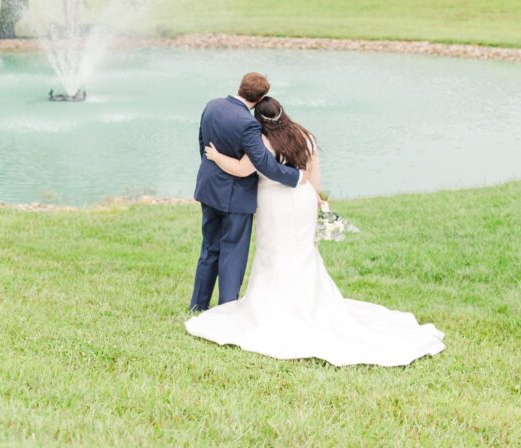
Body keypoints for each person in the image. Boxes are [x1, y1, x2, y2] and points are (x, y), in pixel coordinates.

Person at [186, 94, 445, 367]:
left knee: (273, 252)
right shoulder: (305, 136)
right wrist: (318, 200)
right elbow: (313, 177)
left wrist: (215, 156)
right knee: (305, 251)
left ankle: (276, 308)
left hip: (273, 204)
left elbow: (241, 170)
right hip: (304, 200)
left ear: (259, 119)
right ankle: (310, 304)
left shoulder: (260, 142)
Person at [189, 72, 307, 312]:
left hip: (209, 189)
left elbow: (202, 143)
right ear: (261, 97)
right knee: (233, 252)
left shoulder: (212, 106)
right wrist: (296, 176)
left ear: (240, 86)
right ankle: (227, 309)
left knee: (209, 248)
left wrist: (213, 170)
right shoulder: (248, 124)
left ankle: (197, 305)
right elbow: (264, 163)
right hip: (235, 197)